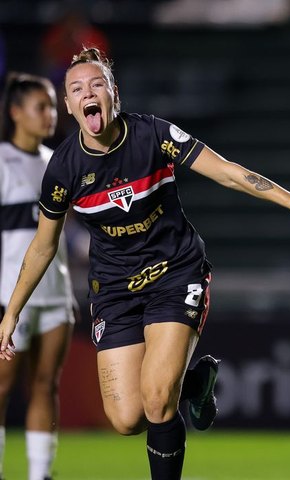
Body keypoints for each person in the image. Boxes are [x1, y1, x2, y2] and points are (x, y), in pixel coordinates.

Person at [0, 48, 290, 480]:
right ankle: (195, 383)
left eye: (97, 84)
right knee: (125, 419)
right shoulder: (63, 168)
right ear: (69, 106)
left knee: (157, 400)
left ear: (114, 93)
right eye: (77, 88)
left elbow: (228, 172)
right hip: (115, 289)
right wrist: (11, 311)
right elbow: (43, 246)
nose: (88, 93)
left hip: (175, 275)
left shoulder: (153, 135)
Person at [0, 72, 75, 480]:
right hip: (8, 293)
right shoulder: (1, 161)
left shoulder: (58, 161)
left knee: (46, 385)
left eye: (51, 105)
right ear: (15, 112)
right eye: (40, 106)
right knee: (1, 389)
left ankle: (39, 475)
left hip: (56, 292)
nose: (50, 114)